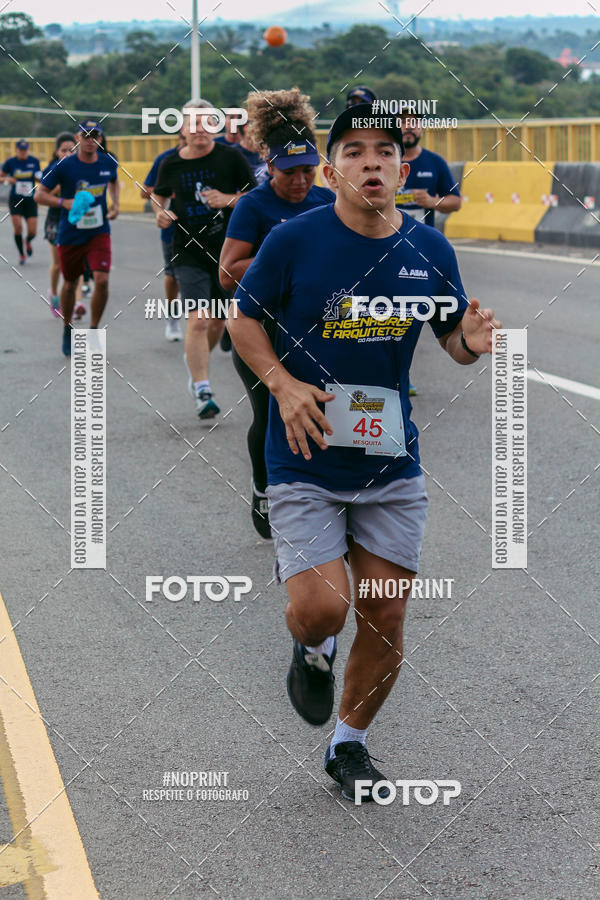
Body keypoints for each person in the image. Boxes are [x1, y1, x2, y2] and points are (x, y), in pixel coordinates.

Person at [228, 102, 501, 802]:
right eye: (353, 151)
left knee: (385, 612)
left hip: (390, 463)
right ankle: (312, 648)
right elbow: (244, 320)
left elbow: (452, 344)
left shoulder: (430, 252)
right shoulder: (293, 240)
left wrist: (471, 340)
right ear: (331, 169)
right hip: (305, 453)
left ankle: (348, 744)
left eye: (384, 151)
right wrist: (283, 385)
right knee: (323, 607)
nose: (371, 161)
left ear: (404, 168)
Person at [219, 88, 335, 539]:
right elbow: (229, 274)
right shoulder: (254, 206)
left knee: (324, 413)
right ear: (270, 167)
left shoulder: (325, 203)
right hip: (260, 333)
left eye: (309, 170)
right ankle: (264, 489)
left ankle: (321, 494)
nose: (301, 181)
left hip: (316, 332)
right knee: (271, 414)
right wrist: (284, 259)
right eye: (290, 173)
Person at [152, 98, 256, 419]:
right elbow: (159, 195)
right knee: (198, 319)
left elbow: (254, 198)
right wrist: (161, 213)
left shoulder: (231, 158)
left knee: (219, 321)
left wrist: (228, 199)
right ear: (182, 128)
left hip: (227, 252)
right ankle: (202, 389)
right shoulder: (171, 163)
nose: (200, 129)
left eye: (206, 122)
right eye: (193, 124)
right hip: (188, 251)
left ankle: (195, 359)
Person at [35, 120, 120, 356]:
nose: (90, 140)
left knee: (102, 279)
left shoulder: (108, 161)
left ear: (100, 139)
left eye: (95, 136)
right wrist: (64, 202)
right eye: (86, 135)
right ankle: (67, 327)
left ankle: (93, 330)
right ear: (77, 138)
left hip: (99, 231)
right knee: (71, 283)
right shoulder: (64, 166)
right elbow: (39, 196)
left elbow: (113, 180)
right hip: (71, 232)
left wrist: (116, 204)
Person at [395, 108, 462, 396]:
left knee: (414, 318)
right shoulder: (387, 162)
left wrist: (432, 201)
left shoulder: (434, 162)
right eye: (403, 124)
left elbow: (456, 201)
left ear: (421, 128)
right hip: (385, 248)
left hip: (422, 253)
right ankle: (395, 374)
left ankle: (400, 372)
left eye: (413, 123)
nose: (409, 128)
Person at [142, 134, 186, 342]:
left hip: (207, 227)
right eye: (185, 139)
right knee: (173, 275)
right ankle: (172, 318)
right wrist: (170, 190)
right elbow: (147, 191)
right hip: (173, 226)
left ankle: (220, 322)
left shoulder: (214, 156)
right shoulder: (165, 160)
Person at [40, 133, 77, 316]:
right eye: (64, 150)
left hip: (76, 218)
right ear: (57, 152)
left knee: (76, 263)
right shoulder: (51, 169)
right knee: (58, 264)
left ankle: (76, 302)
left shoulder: (80, 167)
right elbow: (43, 195)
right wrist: (61, 188)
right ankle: (54, 294)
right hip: (56, 218)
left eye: (72, 150)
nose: (68, 154)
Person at [1, 140, 42, 264]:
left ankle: (28, 241)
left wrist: (38, 177)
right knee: (18, 227)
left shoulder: (34, 161)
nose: (23, 152)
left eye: (25, 150)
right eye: (21, 150)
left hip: (30, 199)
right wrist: (7, 179)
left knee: (32, 231)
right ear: (16, 150)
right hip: (16, 199)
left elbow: (39, 177)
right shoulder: (10, 162)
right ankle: (21, 254)